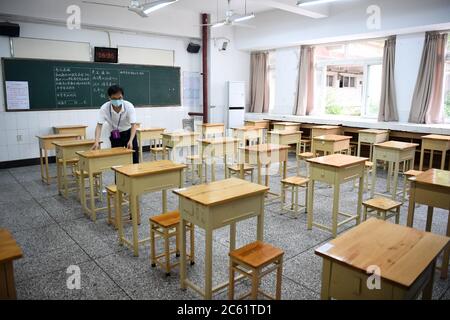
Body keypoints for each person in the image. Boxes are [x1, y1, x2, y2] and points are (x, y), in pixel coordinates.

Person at [92, 85, 139, 163]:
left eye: (119, 98)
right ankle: (118, 175)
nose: (117, 100)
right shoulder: (104, 108)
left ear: (122, 97)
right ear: (109, 98)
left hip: (129, 133)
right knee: (117, 159)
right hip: (115, 134)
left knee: (134, 158)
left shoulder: (129, 106)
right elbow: (99, 126)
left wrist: (130, 140)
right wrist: (96, 142)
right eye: (114, 98)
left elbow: (133, 125)